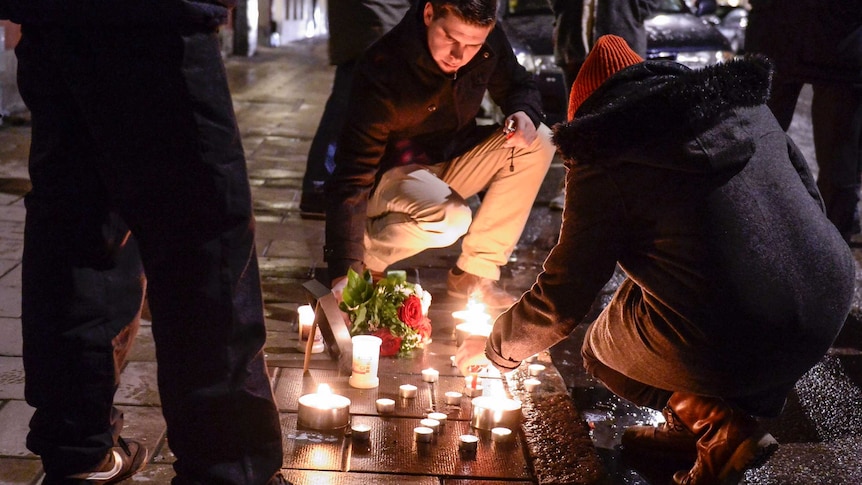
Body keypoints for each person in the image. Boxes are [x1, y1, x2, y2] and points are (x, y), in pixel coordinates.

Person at [457, 35, 855, 484]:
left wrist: (498, 351)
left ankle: (719, 427)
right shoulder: (744, 107)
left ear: (588, 114)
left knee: (600, 350)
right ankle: (697, 430)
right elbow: (810, 196)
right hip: (829, 296)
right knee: (671, 283)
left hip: (747, 325)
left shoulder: (603, 156)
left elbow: (564, 297)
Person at [2, 2, 288, 484]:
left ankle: (79, 452)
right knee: (203, 238)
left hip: (53, 17)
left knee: (78, 232)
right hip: (158, 22)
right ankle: (227, 466)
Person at [324, 0, 555, 310]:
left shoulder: (488, 41)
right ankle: (368, 255)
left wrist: (522, 111)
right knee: (452, 218)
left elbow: (518, 83)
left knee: (540, 139)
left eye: (473, 44)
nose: (459, 55)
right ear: (429, 14)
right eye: (450, 38)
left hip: (452, 157)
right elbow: (352, 172)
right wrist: (343, 266)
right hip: (392, 175)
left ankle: (475, 274)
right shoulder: (383, 66)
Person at [746, 0, 862, 243]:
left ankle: (829, 245)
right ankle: (827, 243)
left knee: (755, 146)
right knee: (754, 147)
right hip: (804, 38)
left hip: (827, 42)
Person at [299, 0, 412, 218]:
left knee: (351, 106)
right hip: (375, 23)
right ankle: (321, 185)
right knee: (349, 108)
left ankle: (324, 185)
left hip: (372, 24)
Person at [546, 0, 662, 209]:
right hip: (574, 42)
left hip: (621, 42)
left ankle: (624, 187)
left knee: (623, 119)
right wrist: (563, 9)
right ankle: (574, 188)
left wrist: (633, 11)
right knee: (575, 121)